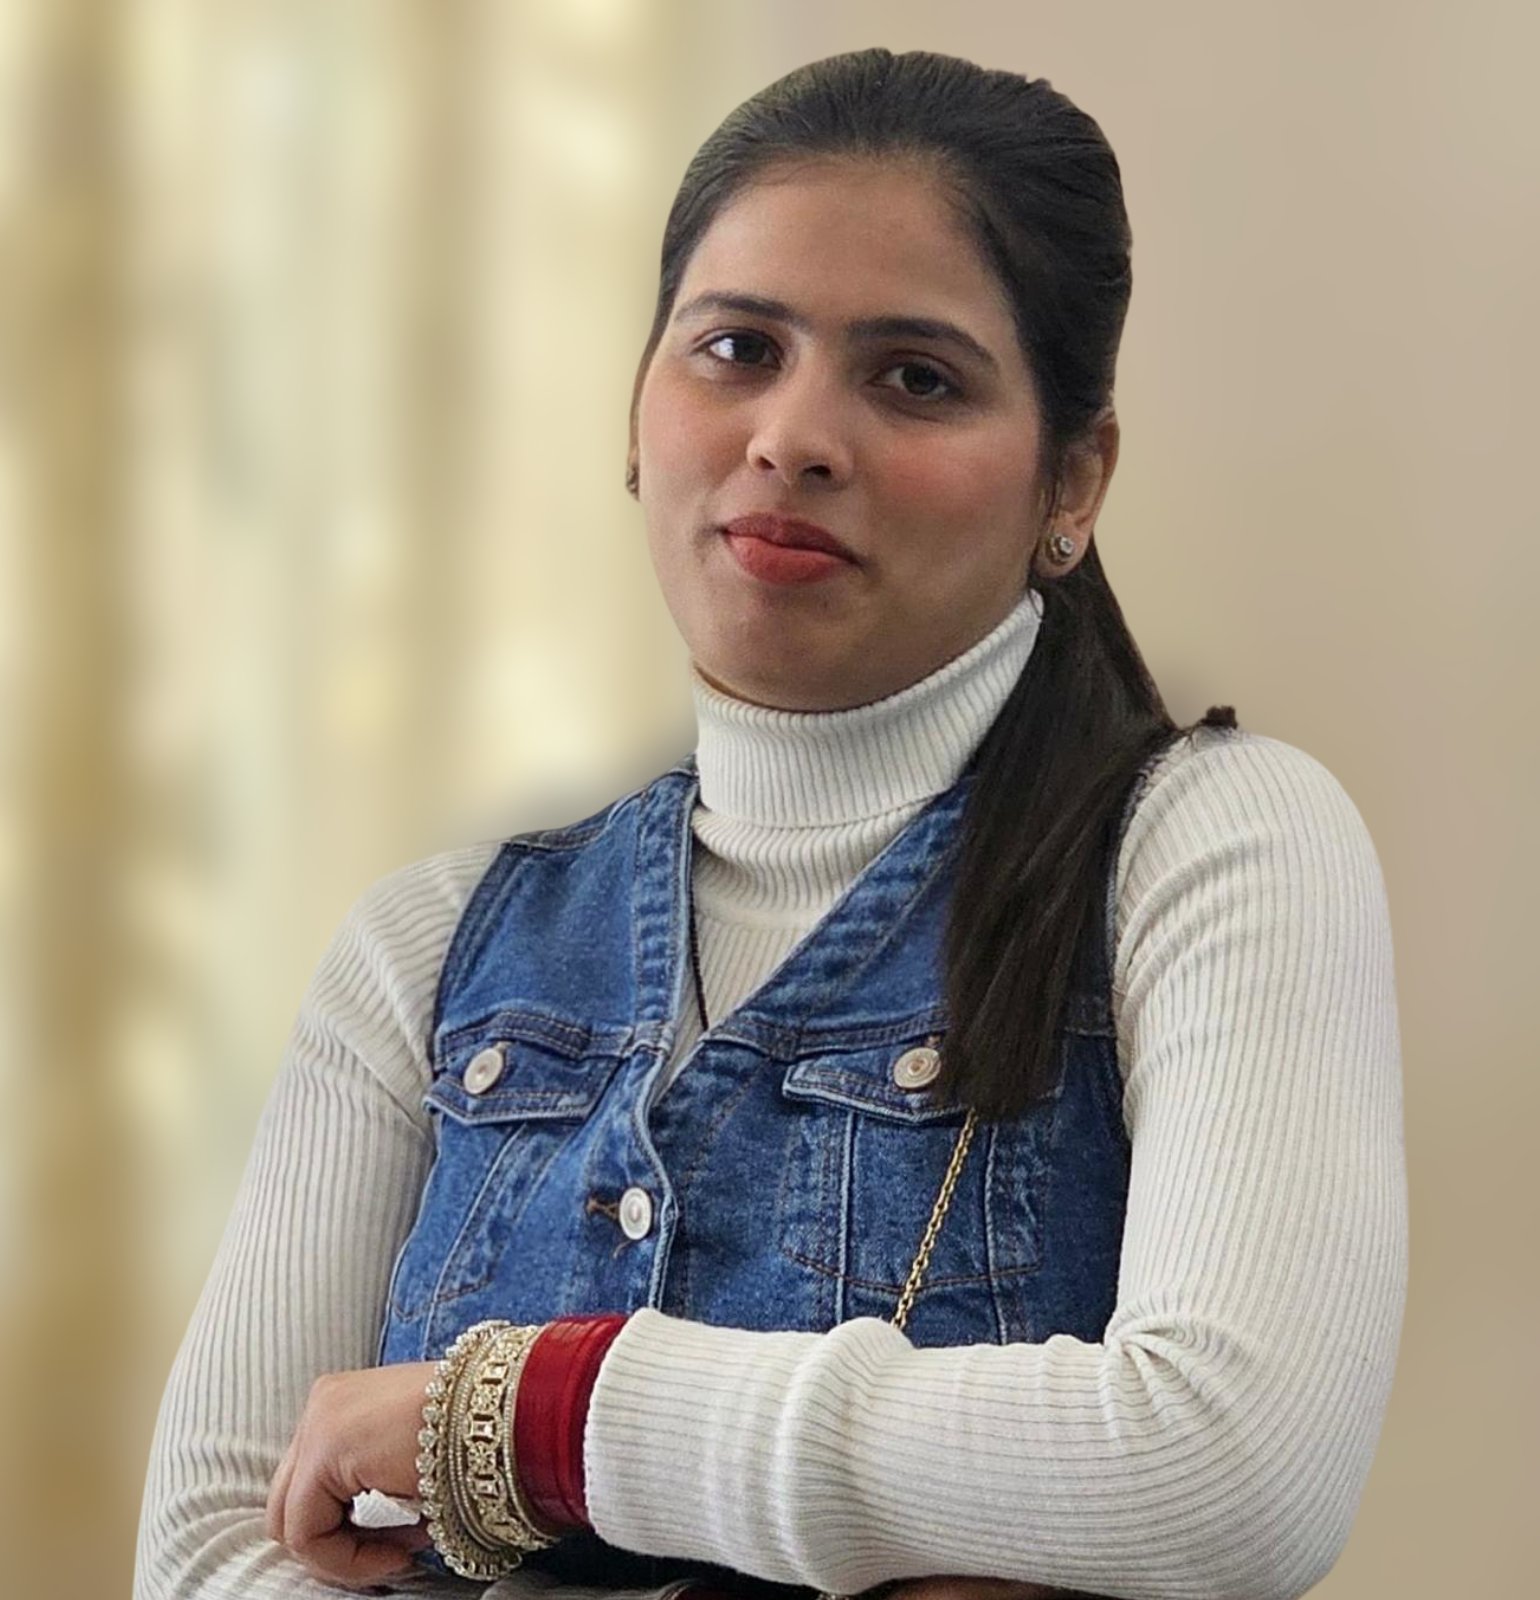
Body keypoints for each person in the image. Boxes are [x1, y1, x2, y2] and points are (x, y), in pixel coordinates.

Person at [135, 46, 1407, 1600]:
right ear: (637, 411)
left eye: (915, 378)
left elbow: (1230, 1469)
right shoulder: (425, 946)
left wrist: (543, 1420)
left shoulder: (1212, 852)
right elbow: (207, 1554)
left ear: (1072, 481)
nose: (795, 435)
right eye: (738, 348)